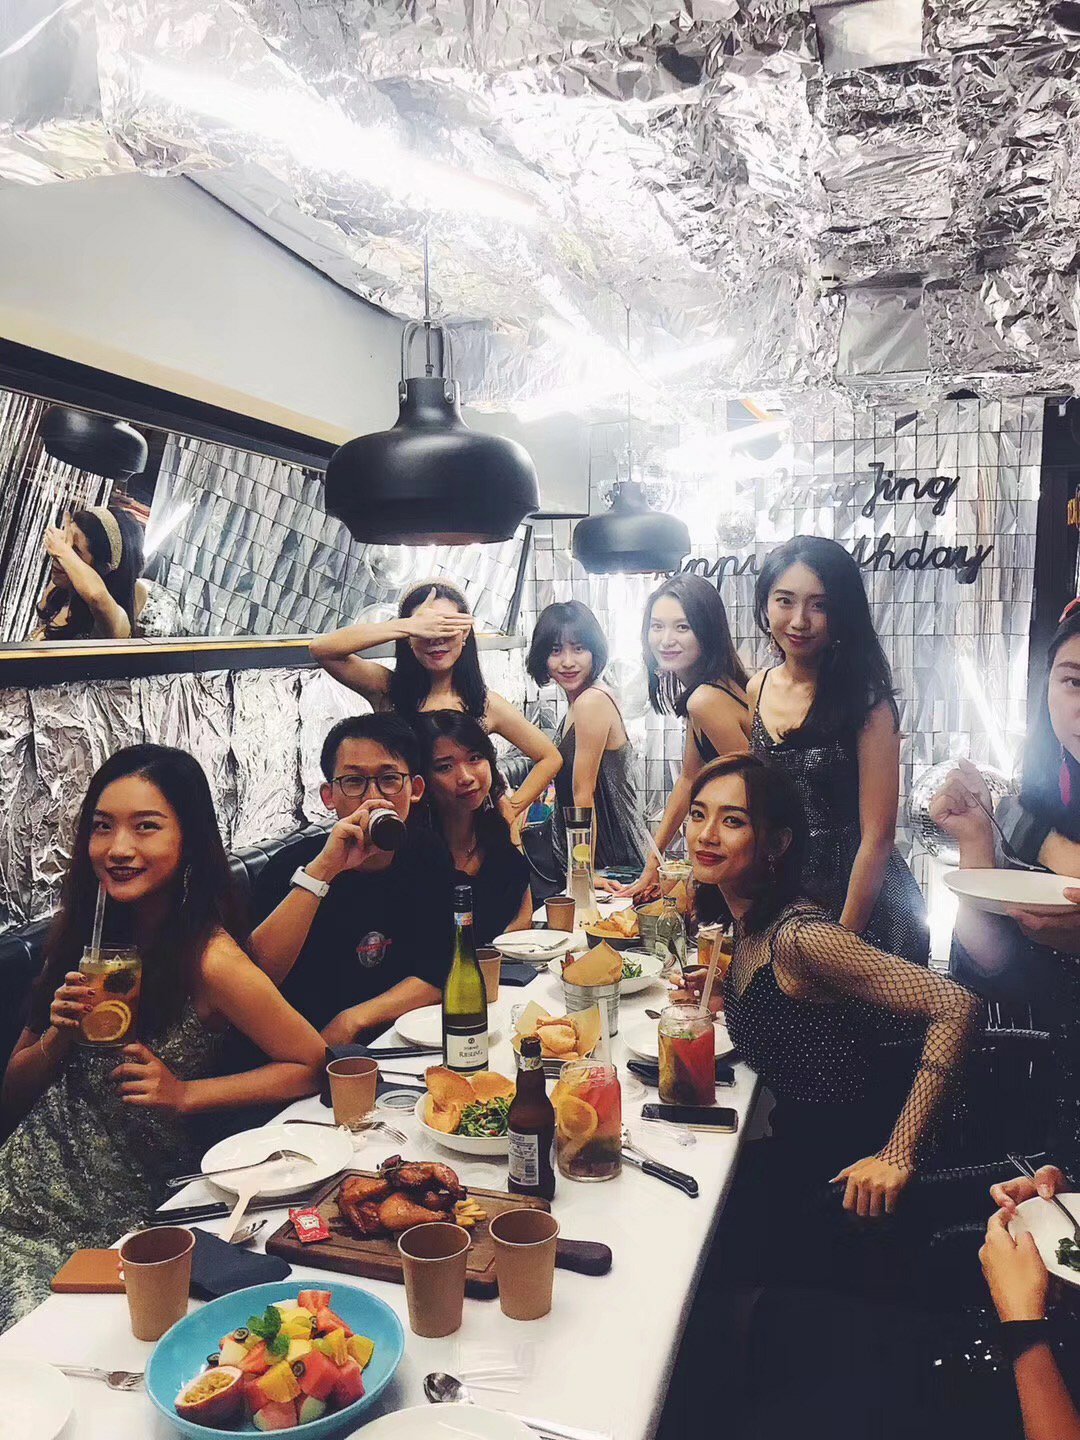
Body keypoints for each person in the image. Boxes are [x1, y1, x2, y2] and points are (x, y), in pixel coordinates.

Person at [0, 745, 326, 1330]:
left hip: (115, 1226)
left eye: (146, 826)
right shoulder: (79, 939)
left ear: (188, 841)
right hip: (14, 1195)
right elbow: (12, 1095)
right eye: (103, 826)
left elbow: (311, 1063)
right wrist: (58, 1038)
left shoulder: (210, 958)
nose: (118, 848)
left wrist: (185, 1094)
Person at [686, 753, 978, 1286]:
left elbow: (957, 1004)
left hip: (848, 1170)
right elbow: (796, 1012)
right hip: (799, 1145)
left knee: (698, 1247)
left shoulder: (802, 936)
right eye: (698, 814)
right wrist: (732, 996)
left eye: (733, 821)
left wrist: (897, 1153)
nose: (706, 834)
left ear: (776, 843)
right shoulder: (748, 920)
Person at [749, 534, 929, 965]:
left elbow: (878, 837)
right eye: (785, 601)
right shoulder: (757, 688)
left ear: (843, 612)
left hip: (865, 906)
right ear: (766, 604)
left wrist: (840, 945)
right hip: (788, 899)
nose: (799, 621)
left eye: (820, 605)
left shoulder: (868, 703)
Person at [248, 713, 456, 1045]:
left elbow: (439, 970)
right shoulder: (288, 868)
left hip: (401, 1037)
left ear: (415, 789)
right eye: (354, 781)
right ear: (329, 796)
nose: (373, 796)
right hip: (303, 1050)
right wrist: (323, 871)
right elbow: (254, 983)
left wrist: (353, 1020)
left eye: (389, 779)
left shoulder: (426, 854)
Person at [310, 579, 561, 841]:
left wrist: (511, 808)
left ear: (465, 634)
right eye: (426, 631)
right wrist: (406, 626)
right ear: (409, 638)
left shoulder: (484, 703)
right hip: (404, 836)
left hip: (471, 837)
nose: (436, 639)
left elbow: (549, 756)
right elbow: (323, 649)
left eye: (447, 629)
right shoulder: (386, 689)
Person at [623, 573, 750, 898]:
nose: (665, 640)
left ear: (707, 631)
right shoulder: (707, 690)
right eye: (657, 626)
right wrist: (653, 863)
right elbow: (689, 779)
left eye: (682, 627)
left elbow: (758, 790)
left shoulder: (705, 699)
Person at [526, 600, 645, 879]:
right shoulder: (580, 702)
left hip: (611, 863)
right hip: (604, 859)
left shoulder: (591, 701)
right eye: (556, 650)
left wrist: (583, 874)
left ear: (595, 651)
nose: (568, 661)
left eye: (579, 649)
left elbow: (583, 794)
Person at [415, 711, 532, 945]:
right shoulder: (415, 852)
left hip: (506, 964)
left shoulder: (498, 827)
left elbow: (523, 917)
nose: (466, 777)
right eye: (445, 767)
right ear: (422, 780)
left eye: (475, 758)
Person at [32, 505, 183, 640]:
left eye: (75, 552)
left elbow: (97, 597)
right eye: (65, 542)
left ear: (103, 568)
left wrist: (63, 552)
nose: (57, 557)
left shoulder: (114, 622)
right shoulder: (63, 586)